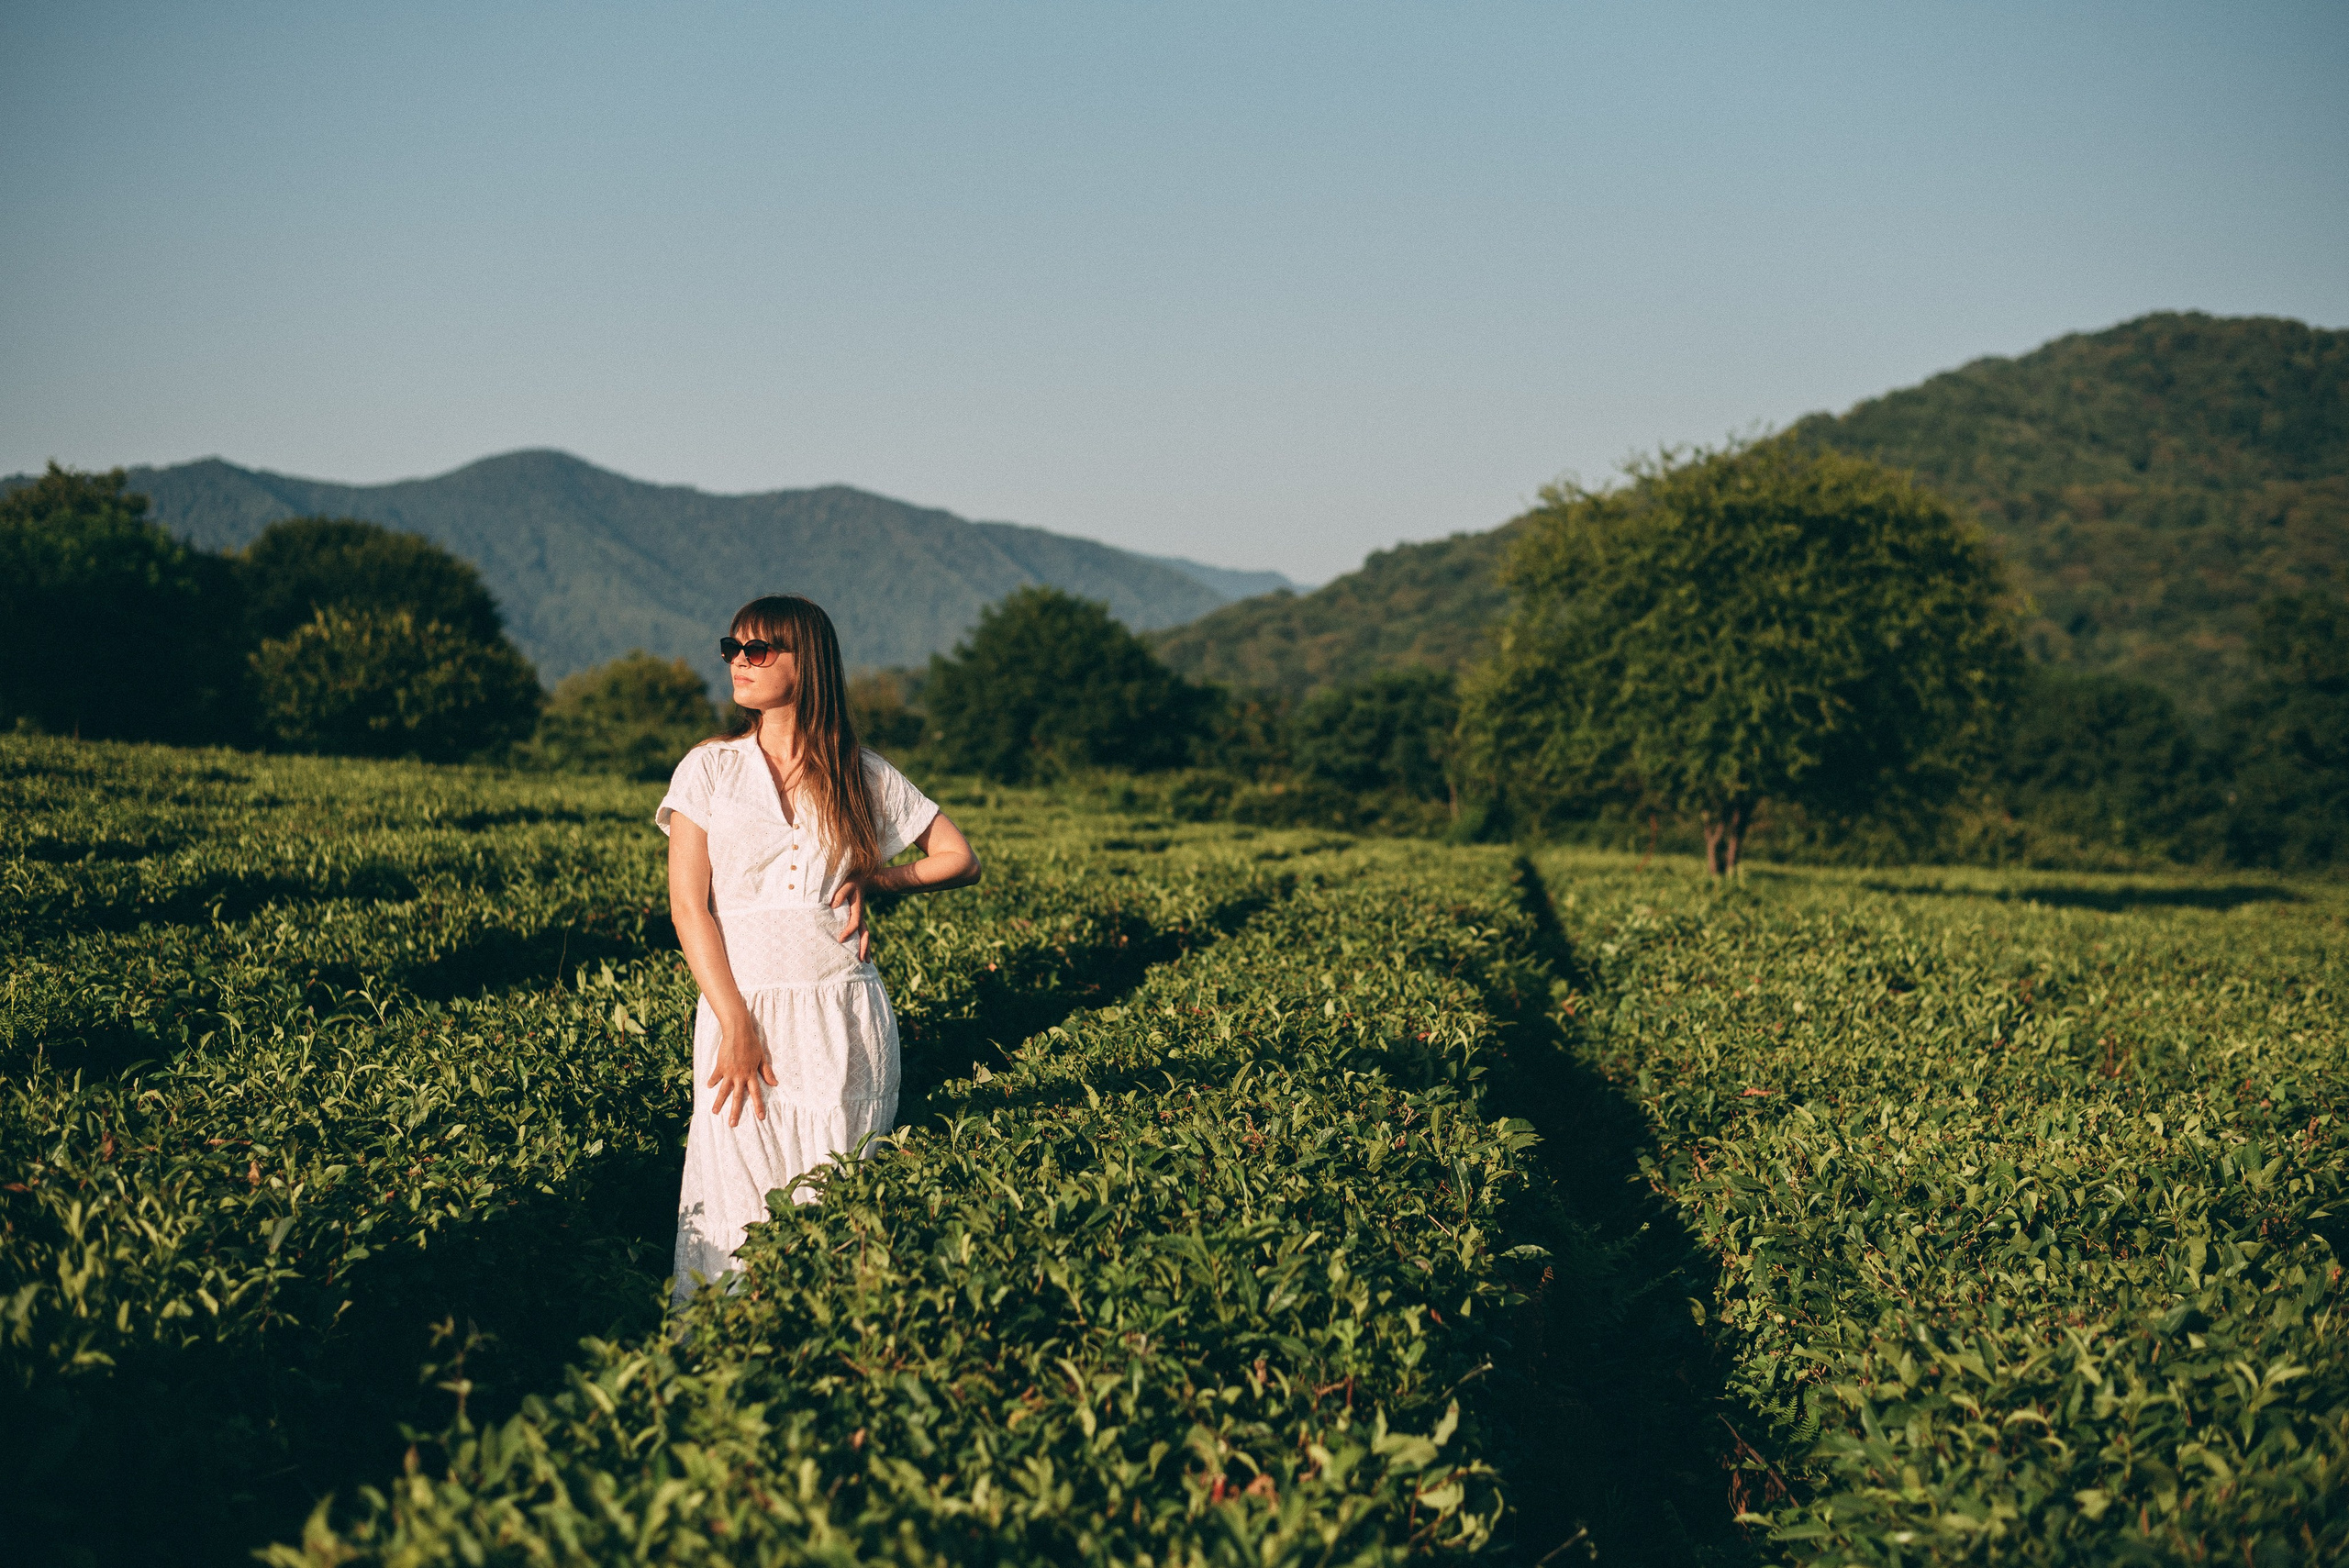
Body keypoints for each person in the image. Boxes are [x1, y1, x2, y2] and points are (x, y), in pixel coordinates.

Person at [656, 594, 979, 1300]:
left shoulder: (860, 770)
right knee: (735, 1215)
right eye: (733, 647)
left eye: (760, 650)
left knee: (833, 1218)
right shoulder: (708, 769)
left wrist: (876, 874)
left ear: (808, 664)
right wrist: (735, 1021)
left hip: (842, 1013)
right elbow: (689, 908)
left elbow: (960, 856)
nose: (739, 662)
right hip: (742, 1010)